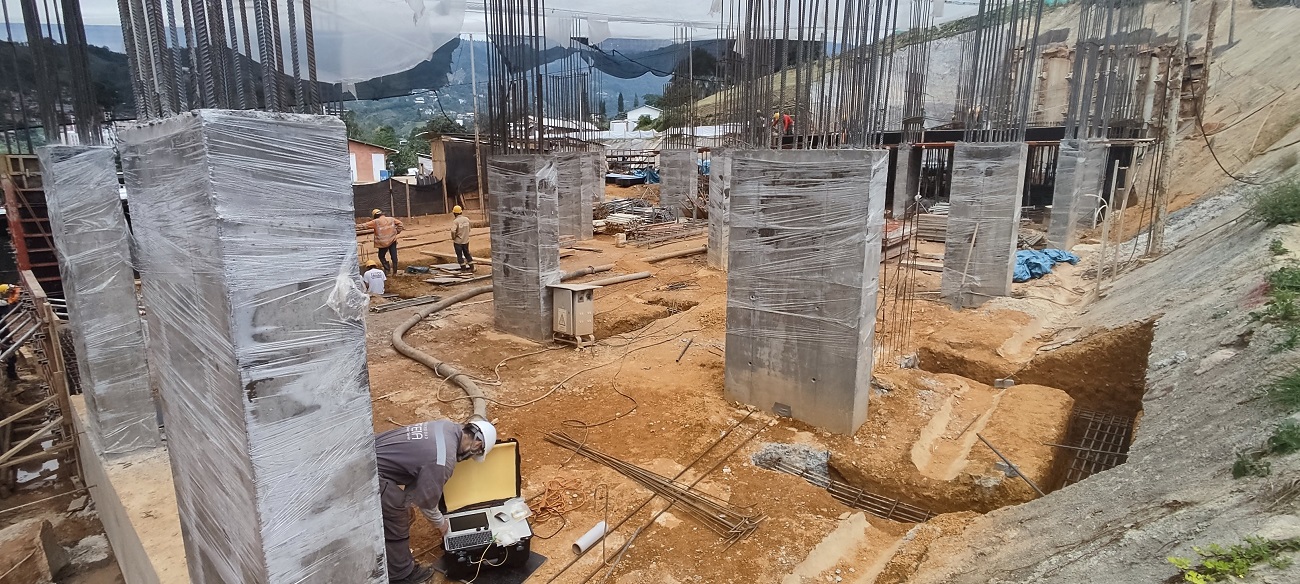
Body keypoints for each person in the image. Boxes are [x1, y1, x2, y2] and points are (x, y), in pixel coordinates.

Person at [374, 418, 497, 584]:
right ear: (477, 445)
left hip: (369, 453)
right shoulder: (442, 460)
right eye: (476, 454)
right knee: (397, 512)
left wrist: (409, 501)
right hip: (367, 475)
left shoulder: (445, 426)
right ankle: (401, 575)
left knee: (402, 507)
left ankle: (385, 542)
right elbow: (427, 503)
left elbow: (419, 471)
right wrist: (440, 523)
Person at [363, 209, 404, 275]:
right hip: (392, 241)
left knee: (381, 256)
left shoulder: (375, 222)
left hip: (382, 243)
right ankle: (395, 272)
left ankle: (387, 268)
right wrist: (397, 232)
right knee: (394, 257)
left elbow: (363, 226)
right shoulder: (391, 219)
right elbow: (400, 224)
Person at [0, 284, 19, 380]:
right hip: (3, 337)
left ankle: (11, 377)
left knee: (10, 356)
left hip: (4, 336)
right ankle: (11, 378)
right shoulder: (2, 306)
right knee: (9, 357)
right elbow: (11, 309)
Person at [450, 205, 473, 271]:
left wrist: (453, 237)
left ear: (455, 213)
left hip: (458, 242)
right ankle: (472, 267)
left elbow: (453, 231)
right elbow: (469, 229)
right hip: (466, 241)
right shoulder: (467, 219)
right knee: (467, 253)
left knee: (459, 255)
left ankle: (463, 269)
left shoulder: (456, 221)